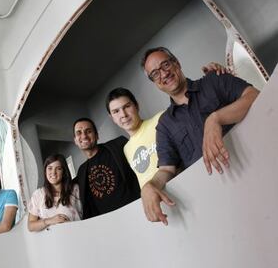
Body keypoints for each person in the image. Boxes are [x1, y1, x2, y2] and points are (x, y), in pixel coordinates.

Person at [140, 46, 259, 225]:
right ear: (154, 82)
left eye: (165, 64)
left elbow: (254, 96)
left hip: (255, 171)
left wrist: (216, 118)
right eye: (155, 74)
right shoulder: (164, 125)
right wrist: (149, 186)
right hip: (218, 204)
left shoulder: (214, 80)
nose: (163, 74)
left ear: (176, 63)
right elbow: (166, 169)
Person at [105, 65, 227, 188]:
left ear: (136, 106)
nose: (123, 115)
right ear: (112, 118)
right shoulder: (126, 149)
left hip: (187, 186)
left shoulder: (161, 120)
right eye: (116, 111)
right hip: (161, 203)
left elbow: (197, 124)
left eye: (127, 107)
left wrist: (215, 76)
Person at [73, 118, 140, 219]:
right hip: (109, 223)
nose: (84, 136)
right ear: (75, 140)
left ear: (96, 135)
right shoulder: (82, 171)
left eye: (89, 131)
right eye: (79, 133)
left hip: (137, 209)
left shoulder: (118, 145)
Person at [28, 154, 82, 232]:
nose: (53, 172)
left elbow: (86, 214)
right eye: (50, 168)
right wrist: (50, 221)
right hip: (51, 241)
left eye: (58, 169)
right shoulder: (38, 195)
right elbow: (31, 226)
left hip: (76, 234)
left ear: (63, 172)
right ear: (45, 171)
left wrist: (71, 225)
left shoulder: (75, 189)